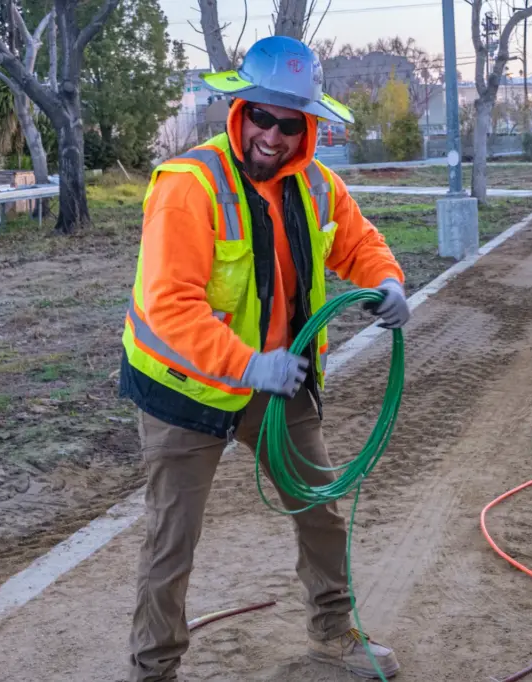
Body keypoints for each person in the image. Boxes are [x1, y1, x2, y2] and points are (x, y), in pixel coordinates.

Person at [119, 34, 410, 681]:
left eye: (289, 122)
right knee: (173, 541)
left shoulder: (314, 184)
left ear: (307, 127)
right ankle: (153, 670)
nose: (272, 136)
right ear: (239, 111)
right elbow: (170, 310)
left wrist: (387, 282)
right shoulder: (189, 187)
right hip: (184, 389)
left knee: (321, 509)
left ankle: (336, 636)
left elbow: (359, 244)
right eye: (261, 116)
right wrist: (249, 364)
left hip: (278, 383)